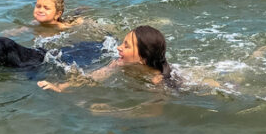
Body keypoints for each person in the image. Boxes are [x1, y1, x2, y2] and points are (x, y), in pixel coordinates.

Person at [38, 25, 173, 92]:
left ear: (143, 59)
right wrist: (61, 87)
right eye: (122, 43)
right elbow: (94, 77)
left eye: (126, 46)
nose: (119, 48)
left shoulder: (156, 81)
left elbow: (154, 111)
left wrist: (111, 110)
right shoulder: (120, 63)